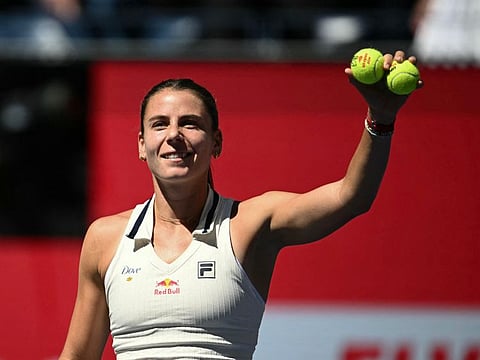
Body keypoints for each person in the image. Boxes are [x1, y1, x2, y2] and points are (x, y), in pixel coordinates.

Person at [59, 50, 422, 360]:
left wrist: (381, 119)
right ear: (141, 144)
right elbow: (77, 356)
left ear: (215, 142)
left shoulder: (251, 222)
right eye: (159, 124)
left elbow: (350, 197)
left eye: (190, 124)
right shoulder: (104, 238)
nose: (174, 135)